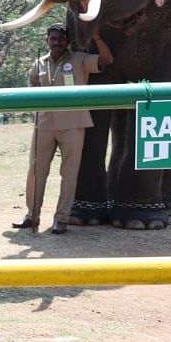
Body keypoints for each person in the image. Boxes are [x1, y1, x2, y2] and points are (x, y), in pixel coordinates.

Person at [12, 24, 113, 235]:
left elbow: (106, 60)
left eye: (61, 39)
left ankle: (62, 218)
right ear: (47, 41)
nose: (57, 42)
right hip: (44, 124)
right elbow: (32, 85)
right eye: (53, 39)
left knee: (69, 174)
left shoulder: (80, 59)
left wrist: (98, 39)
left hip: (73, 124)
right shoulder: (39, 63)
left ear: (67, 41)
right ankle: (32, 216)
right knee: (36, 172)